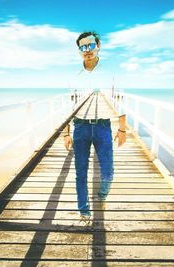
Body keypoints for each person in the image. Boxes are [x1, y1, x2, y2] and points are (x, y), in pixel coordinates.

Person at [63, 31, 126, 224]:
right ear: (79, 50)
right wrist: (66, 133)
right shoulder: (74, 76)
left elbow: (120, 101)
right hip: (80, 127)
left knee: (108, 171)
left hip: (103, 126)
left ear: (98, 46)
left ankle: (102, 196)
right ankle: (84, 210)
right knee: (80, 171)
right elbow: (69, 106)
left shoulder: (110, 74)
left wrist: (122, 129)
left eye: (90, 45)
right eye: (83, 47)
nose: (87, 50)